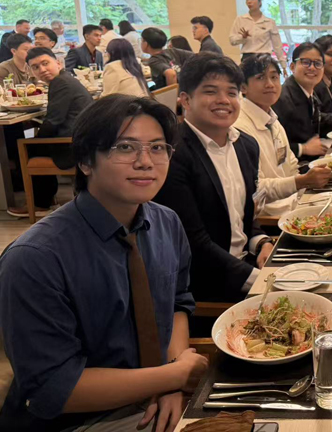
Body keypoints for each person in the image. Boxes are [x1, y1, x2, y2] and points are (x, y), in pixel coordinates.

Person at [0, 95, 208, 432]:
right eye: (125, 147)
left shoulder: (166, 222)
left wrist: (171, 378)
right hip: (76, 422)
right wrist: (173, 376)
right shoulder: (34, 258)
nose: (146, 162)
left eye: (158, 148)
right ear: (85, 160)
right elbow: (54, 389)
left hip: (157, 395)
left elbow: (177, 302)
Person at [153, 53, 273, 302]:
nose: (224, 100)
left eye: (232, 92)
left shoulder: (246, 145)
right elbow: (193, 243)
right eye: (210, 91)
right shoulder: (172, 154)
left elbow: (243, 215)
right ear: (185, 99)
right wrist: (262, 281)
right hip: (207, 283)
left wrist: (262, 242)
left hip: (246, 266)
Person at [235, 54, 331, 216]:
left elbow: (291, 166)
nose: (270, 84)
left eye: (274, 77)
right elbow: (255, 189)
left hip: (294, 203)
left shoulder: (272, 119)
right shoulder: (240, 128)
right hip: (271, 217)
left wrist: (308, 182)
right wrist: (301, 182)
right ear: (243, 87)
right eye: (260, 78)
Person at [6, 48, 93, 218]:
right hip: (82, 138)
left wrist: (38, 137)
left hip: (72, 145)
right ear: (31, 71)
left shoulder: (60, 83)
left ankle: (40, 203)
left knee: (27, 147)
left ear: (58, 63)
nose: (42, 70)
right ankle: (47, 199)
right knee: (35, 142)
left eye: (45, 63)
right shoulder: (65, 79)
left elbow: (53, 121)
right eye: (36, 67)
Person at [273, 43, 332, 159]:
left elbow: (317, 118)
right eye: (306, 62)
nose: (312, 68)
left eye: (317, 64)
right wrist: (303, 148)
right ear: (292, 67)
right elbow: (271, 147)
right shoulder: (282, 98)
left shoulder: (309, 93)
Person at [229, 0, 288, 75]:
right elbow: (232, 40)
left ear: (260, 2)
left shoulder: (269, 22)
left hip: (264, 58)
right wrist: (242, 37)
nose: (249, 1)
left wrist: (283, 66)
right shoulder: (240, 20)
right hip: (247, 58)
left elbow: (277, 46)